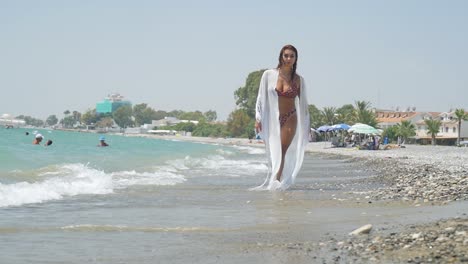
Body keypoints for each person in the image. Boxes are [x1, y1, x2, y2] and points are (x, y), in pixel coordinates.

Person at [253, 44, 310, 190]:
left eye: (292, 56)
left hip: (290, 117)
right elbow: (261, 97)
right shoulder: (268, 75)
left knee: (282, 149)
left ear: (296, 59)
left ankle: (276, 180)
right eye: (286, 55)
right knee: (274, 150)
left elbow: (304, 106)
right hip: (272, 119)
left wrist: (307, 125)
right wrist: (258, 117)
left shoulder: (299, 80)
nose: (289, 58)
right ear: (281, 56)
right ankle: (279, 178)